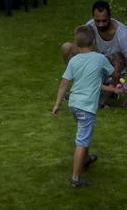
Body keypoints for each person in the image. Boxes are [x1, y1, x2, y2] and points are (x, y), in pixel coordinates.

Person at [52, 25, 122, 188]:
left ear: (76, 43)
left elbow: (64, 84)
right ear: (94, 41)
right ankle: (75, 178)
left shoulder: (74, 60)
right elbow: (113, 74)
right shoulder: (99, 59)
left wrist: (57, 104)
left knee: (85, 133)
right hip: (86, 107)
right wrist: (116, 79)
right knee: (81, 141)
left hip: (74, 105)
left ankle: (87, 158)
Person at [61, 0, 127, 95]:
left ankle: (111, 88)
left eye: (104, 21)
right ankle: (81, 84)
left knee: (117, 58)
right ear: (93, 17)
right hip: (97, 65)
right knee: (67, 47)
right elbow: (79, 48)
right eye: (97, 21)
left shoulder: (123, 34)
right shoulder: (90, 26)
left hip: (115, 71)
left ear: (110, 17)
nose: (100, 24)